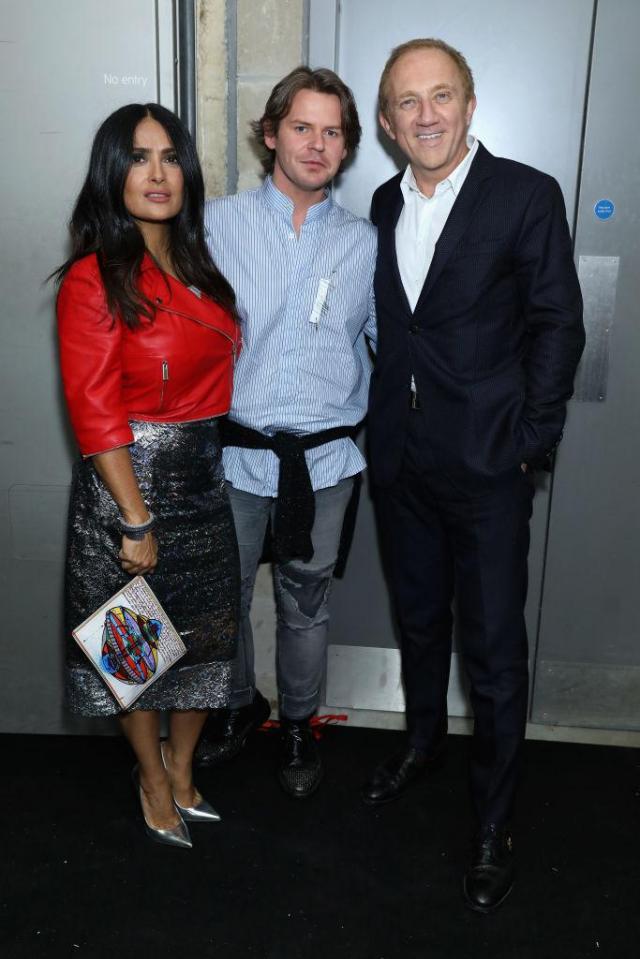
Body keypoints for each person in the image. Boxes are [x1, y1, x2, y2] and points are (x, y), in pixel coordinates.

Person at [362, 39, 585, 911]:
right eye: (408, 102)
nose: (425, 114)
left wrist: (528, 440)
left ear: (468, 103)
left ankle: (493, 821)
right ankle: (422, 741)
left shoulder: (526, 195)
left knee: (492, 653)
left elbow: (557, 325)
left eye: (440, 96)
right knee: (419, 620)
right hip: (402, 464)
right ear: (386, 122)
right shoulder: (382, 203)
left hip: (489, 469)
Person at [55, 102, 241, 849]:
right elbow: (95, 410)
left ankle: (184, 765)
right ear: (112, 172)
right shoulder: (93, 277)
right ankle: (151, 775)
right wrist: (135, 519)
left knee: (206, 642)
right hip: (128, 490)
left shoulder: (196, 263)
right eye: (139, 157)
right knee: (136, 654)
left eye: (170, 157)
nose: (158, 174)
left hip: (204, 479)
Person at [196, 67, 377, 799]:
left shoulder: (366, 242)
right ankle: (241, 704)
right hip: (236, 455)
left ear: (347, 147)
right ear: (271, 133)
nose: (317, 144)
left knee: (307, 604)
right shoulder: (215, 225)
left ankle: (299, 723)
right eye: (302, 127)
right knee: (224, 596)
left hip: (325, 460)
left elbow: (396, 342)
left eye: (333, 132)